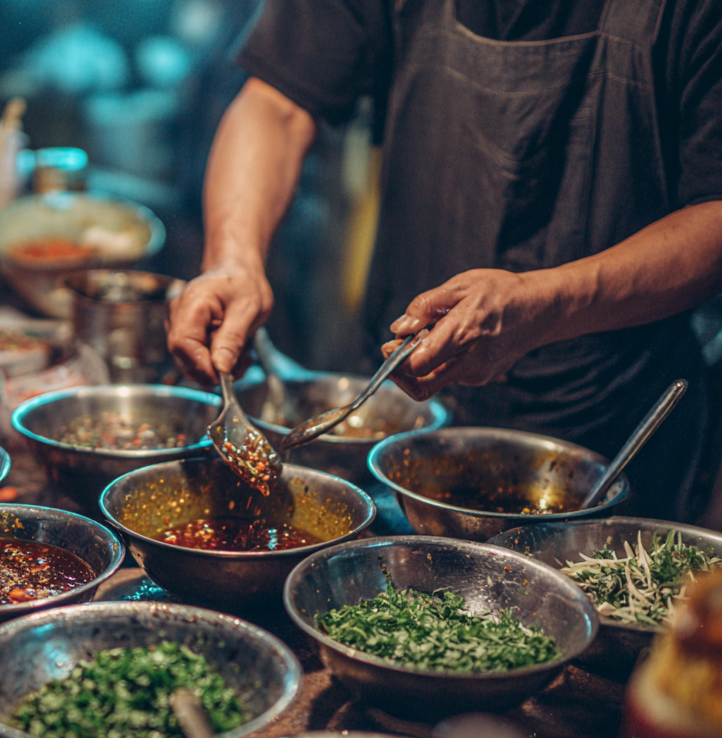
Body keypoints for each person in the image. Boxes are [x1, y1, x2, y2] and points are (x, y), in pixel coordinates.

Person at [167, 0, 722, 522]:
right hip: (399, 401)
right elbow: (279, 103)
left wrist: (548, 303)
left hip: (607, 432)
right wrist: (232, 260)